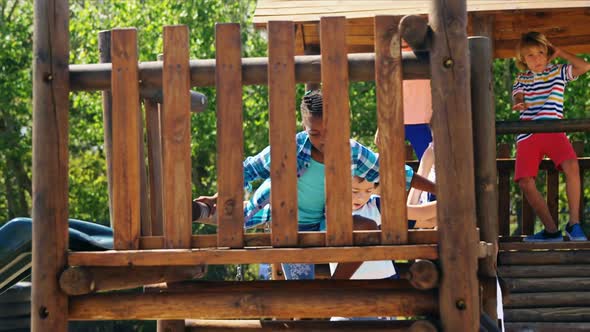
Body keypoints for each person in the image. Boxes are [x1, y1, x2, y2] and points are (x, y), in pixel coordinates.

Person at [512, 31, 590, 242]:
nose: (536, 59)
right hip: (528, 133)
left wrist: (562, 52)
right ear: (522, 59)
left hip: (554, 129)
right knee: (525, 182)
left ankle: (573, 224)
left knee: (572, 165)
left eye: (540, 53)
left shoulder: (557, 71)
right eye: (530, 55)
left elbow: (585, 66)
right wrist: (519, 102)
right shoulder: (521, 78)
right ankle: (551, 230)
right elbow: (518, 96)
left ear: (548, 54)